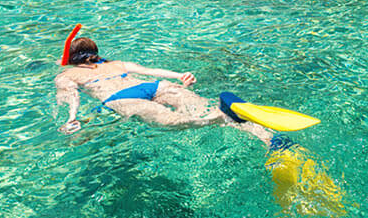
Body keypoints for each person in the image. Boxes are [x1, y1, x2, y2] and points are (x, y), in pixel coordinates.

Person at [55, 36, 272, 145]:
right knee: (204, 107)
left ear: (71, 59)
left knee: (172, 122)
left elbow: (71, 97)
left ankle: (218, 118)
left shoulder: (66, 76)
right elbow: (149, 70)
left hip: (119, 98)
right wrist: (180, 76)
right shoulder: (117, 63)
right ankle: (267, 137)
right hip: (153, 85)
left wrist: (72, 119)